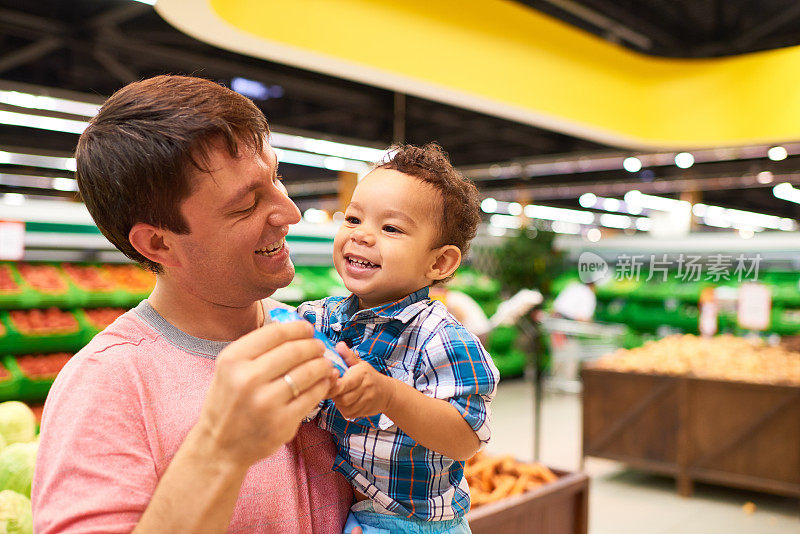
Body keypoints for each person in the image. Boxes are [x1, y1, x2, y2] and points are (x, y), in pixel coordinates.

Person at [31, 75, 355, 533]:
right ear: (158, 243)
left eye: (277, 177)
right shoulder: (108, 385)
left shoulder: (320, 330)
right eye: (246, 204)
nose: (289, 212)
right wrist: (220, 449)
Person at [297, 144, 500, 533]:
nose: (362, 236)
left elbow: (466, 437)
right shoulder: (320, 318)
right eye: (353, 218)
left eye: (390, 228)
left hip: (414, 524)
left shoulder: (440, 338)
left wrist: (389, 396)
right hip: (349, 509)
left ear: (438, 262)